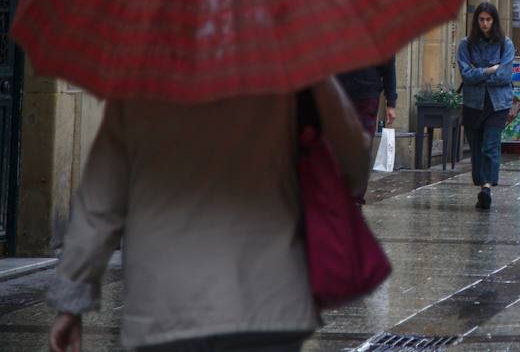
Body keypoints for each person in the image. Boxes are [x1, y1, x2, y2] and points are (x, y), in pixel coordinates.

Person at [46, 78, 370, 352]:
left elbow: (101, 197)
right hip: (269, 298)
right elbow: (352, 161)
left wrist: (71, 300)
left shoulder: (146, 79)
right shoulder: (295, 68)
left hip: (166, 302)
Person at [457, 2, 516, 210]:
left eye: (488, 20)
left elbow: (505, 75)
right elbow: (465, 74)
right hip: (473, 103)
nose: (484, 24)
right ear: (476, 21)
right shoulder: (466, 45)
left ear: (494, 21)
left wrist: (479, 73)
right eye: (481, 20)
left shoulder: (505, 44)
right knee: (476, 148)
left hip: (497, 103)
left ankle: (486, 188)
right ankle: (482, 184)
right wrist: (489, 71)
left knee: (490, 146)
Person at [336, 56, 398, 199]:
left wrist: (391, 101)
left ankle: (355, 195)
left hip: (364, 96)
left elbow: (389, 65)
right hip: (344, 94)